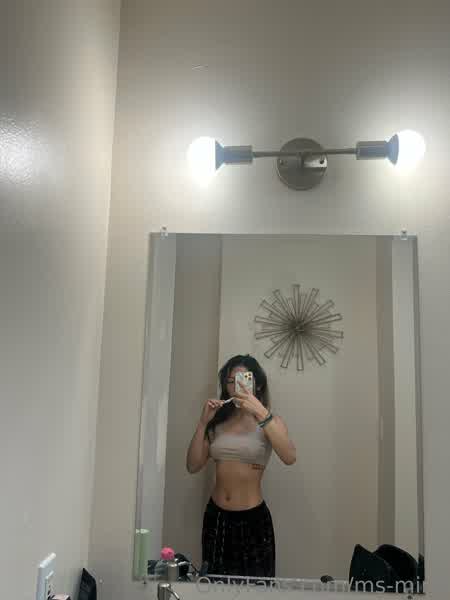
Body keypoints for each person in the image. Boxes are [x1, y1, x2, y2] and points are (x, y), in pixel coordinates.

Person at [186, 354, 296, 580]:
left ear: (258, 384)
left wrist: (261, 411)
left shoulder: (270, 422)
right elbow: (193, 465)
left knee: (255, 589)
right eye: (230, 381)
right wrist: (203, 422)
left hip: (253, 520)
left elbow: (289, 457)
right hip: (216, 517)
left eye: (244, 379)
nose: (236, 386)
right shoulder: (217, 422)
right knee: (213, 587)